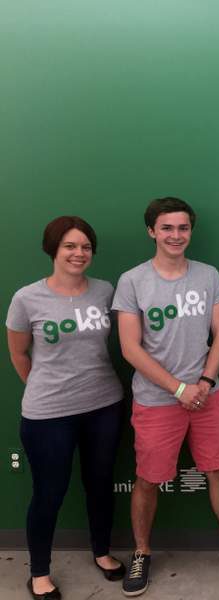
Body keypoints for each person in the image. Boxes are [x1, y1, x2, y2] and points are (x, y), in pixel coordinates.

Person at [112, 197, 219, 597]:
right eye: (167, 228)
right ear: (152, 231)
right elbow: (130, 348)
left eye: (183, 228)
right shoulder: (132, 281)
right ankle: (141, 552)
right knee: (149, 479)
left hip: (207, 396)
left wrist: (203, 381)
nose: (175, 235)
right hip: (156, 400)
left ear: (190, 231)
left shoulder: (207, 275)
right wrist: (178, 388)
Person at [6, 216, 125, 600]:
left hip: (104, 405)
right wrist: (50, 389)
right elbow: (19, 353)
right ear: (53, 250)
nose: (79, 253)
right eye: (70, 246)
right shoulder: (27, 298)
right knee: (49, 492)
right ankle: (39, 572)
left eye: (86, 247)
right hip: (47, 415)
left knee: (99, 486)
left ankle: (102, 552)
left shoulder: (105, 291)